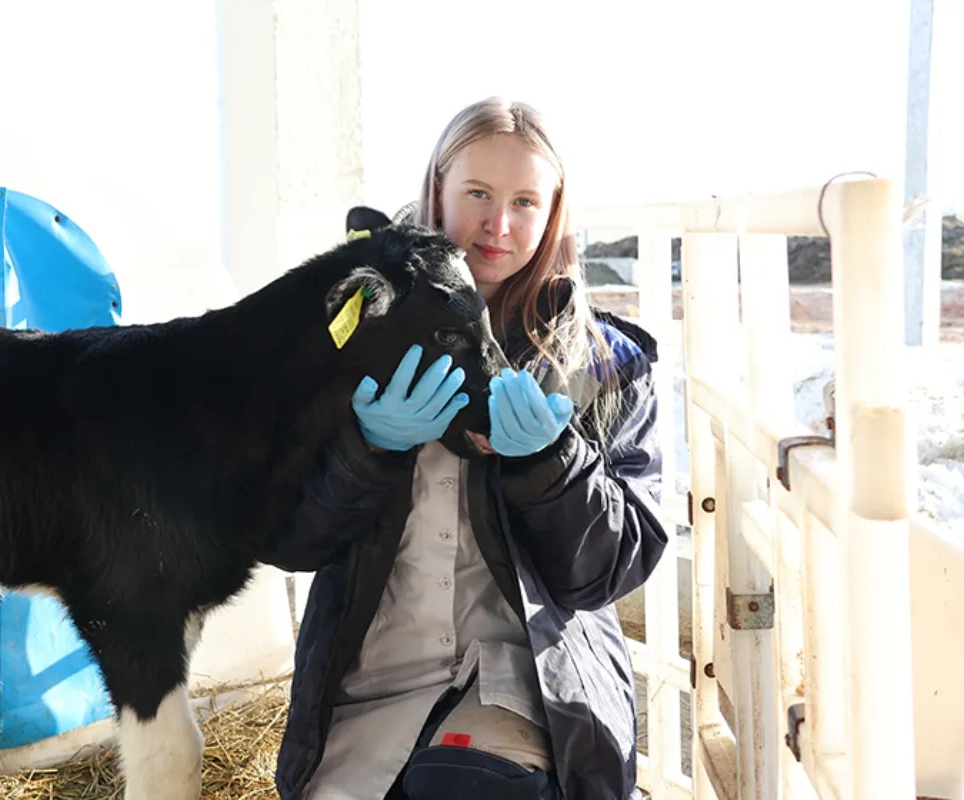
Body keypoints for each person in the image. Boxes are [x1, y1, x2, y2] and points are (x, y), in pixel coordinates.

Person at [262, 97, 668, 800]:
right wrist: (365, 452)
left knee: (468, 785)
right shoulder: (347, 334)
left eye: (525, 201)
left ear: (555, 211)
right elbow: (287, 538)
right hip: (369, 682)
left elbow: (608, 572)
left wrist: (552, 467)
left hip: (527, 681)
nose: (498, 225)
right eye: (477, 193)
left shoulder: (605, 362)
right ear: (437, 188)